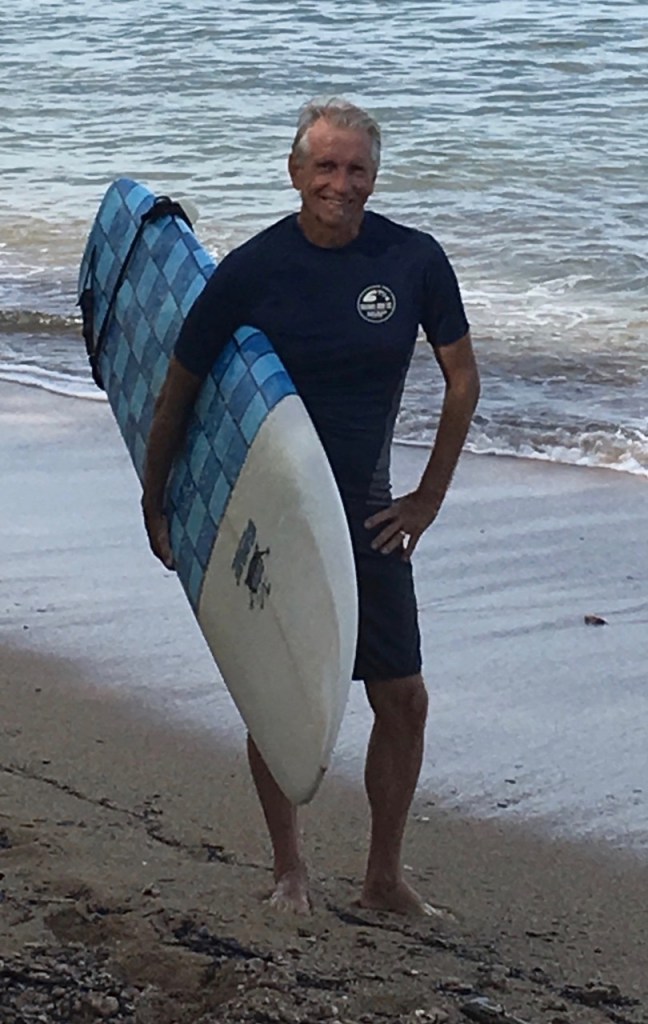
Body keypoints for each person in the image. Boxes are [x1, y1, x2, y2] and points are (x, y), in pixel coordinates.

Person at [142, 98, 479, 916]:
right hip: (277, 515)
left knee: (403, 698)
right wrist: (158, 497)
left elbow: (463, 380)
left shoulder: (412, 260)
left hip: (368, 515)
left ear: (375, 176)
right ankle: (289, 870)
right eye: (325, 166)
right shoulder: (253, 268)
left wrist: (428, 498)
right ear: (295, 172)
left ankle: (383, 880)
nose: (341, 182)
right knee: (281, 697)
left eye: (357, 168)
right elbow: (179, 385)